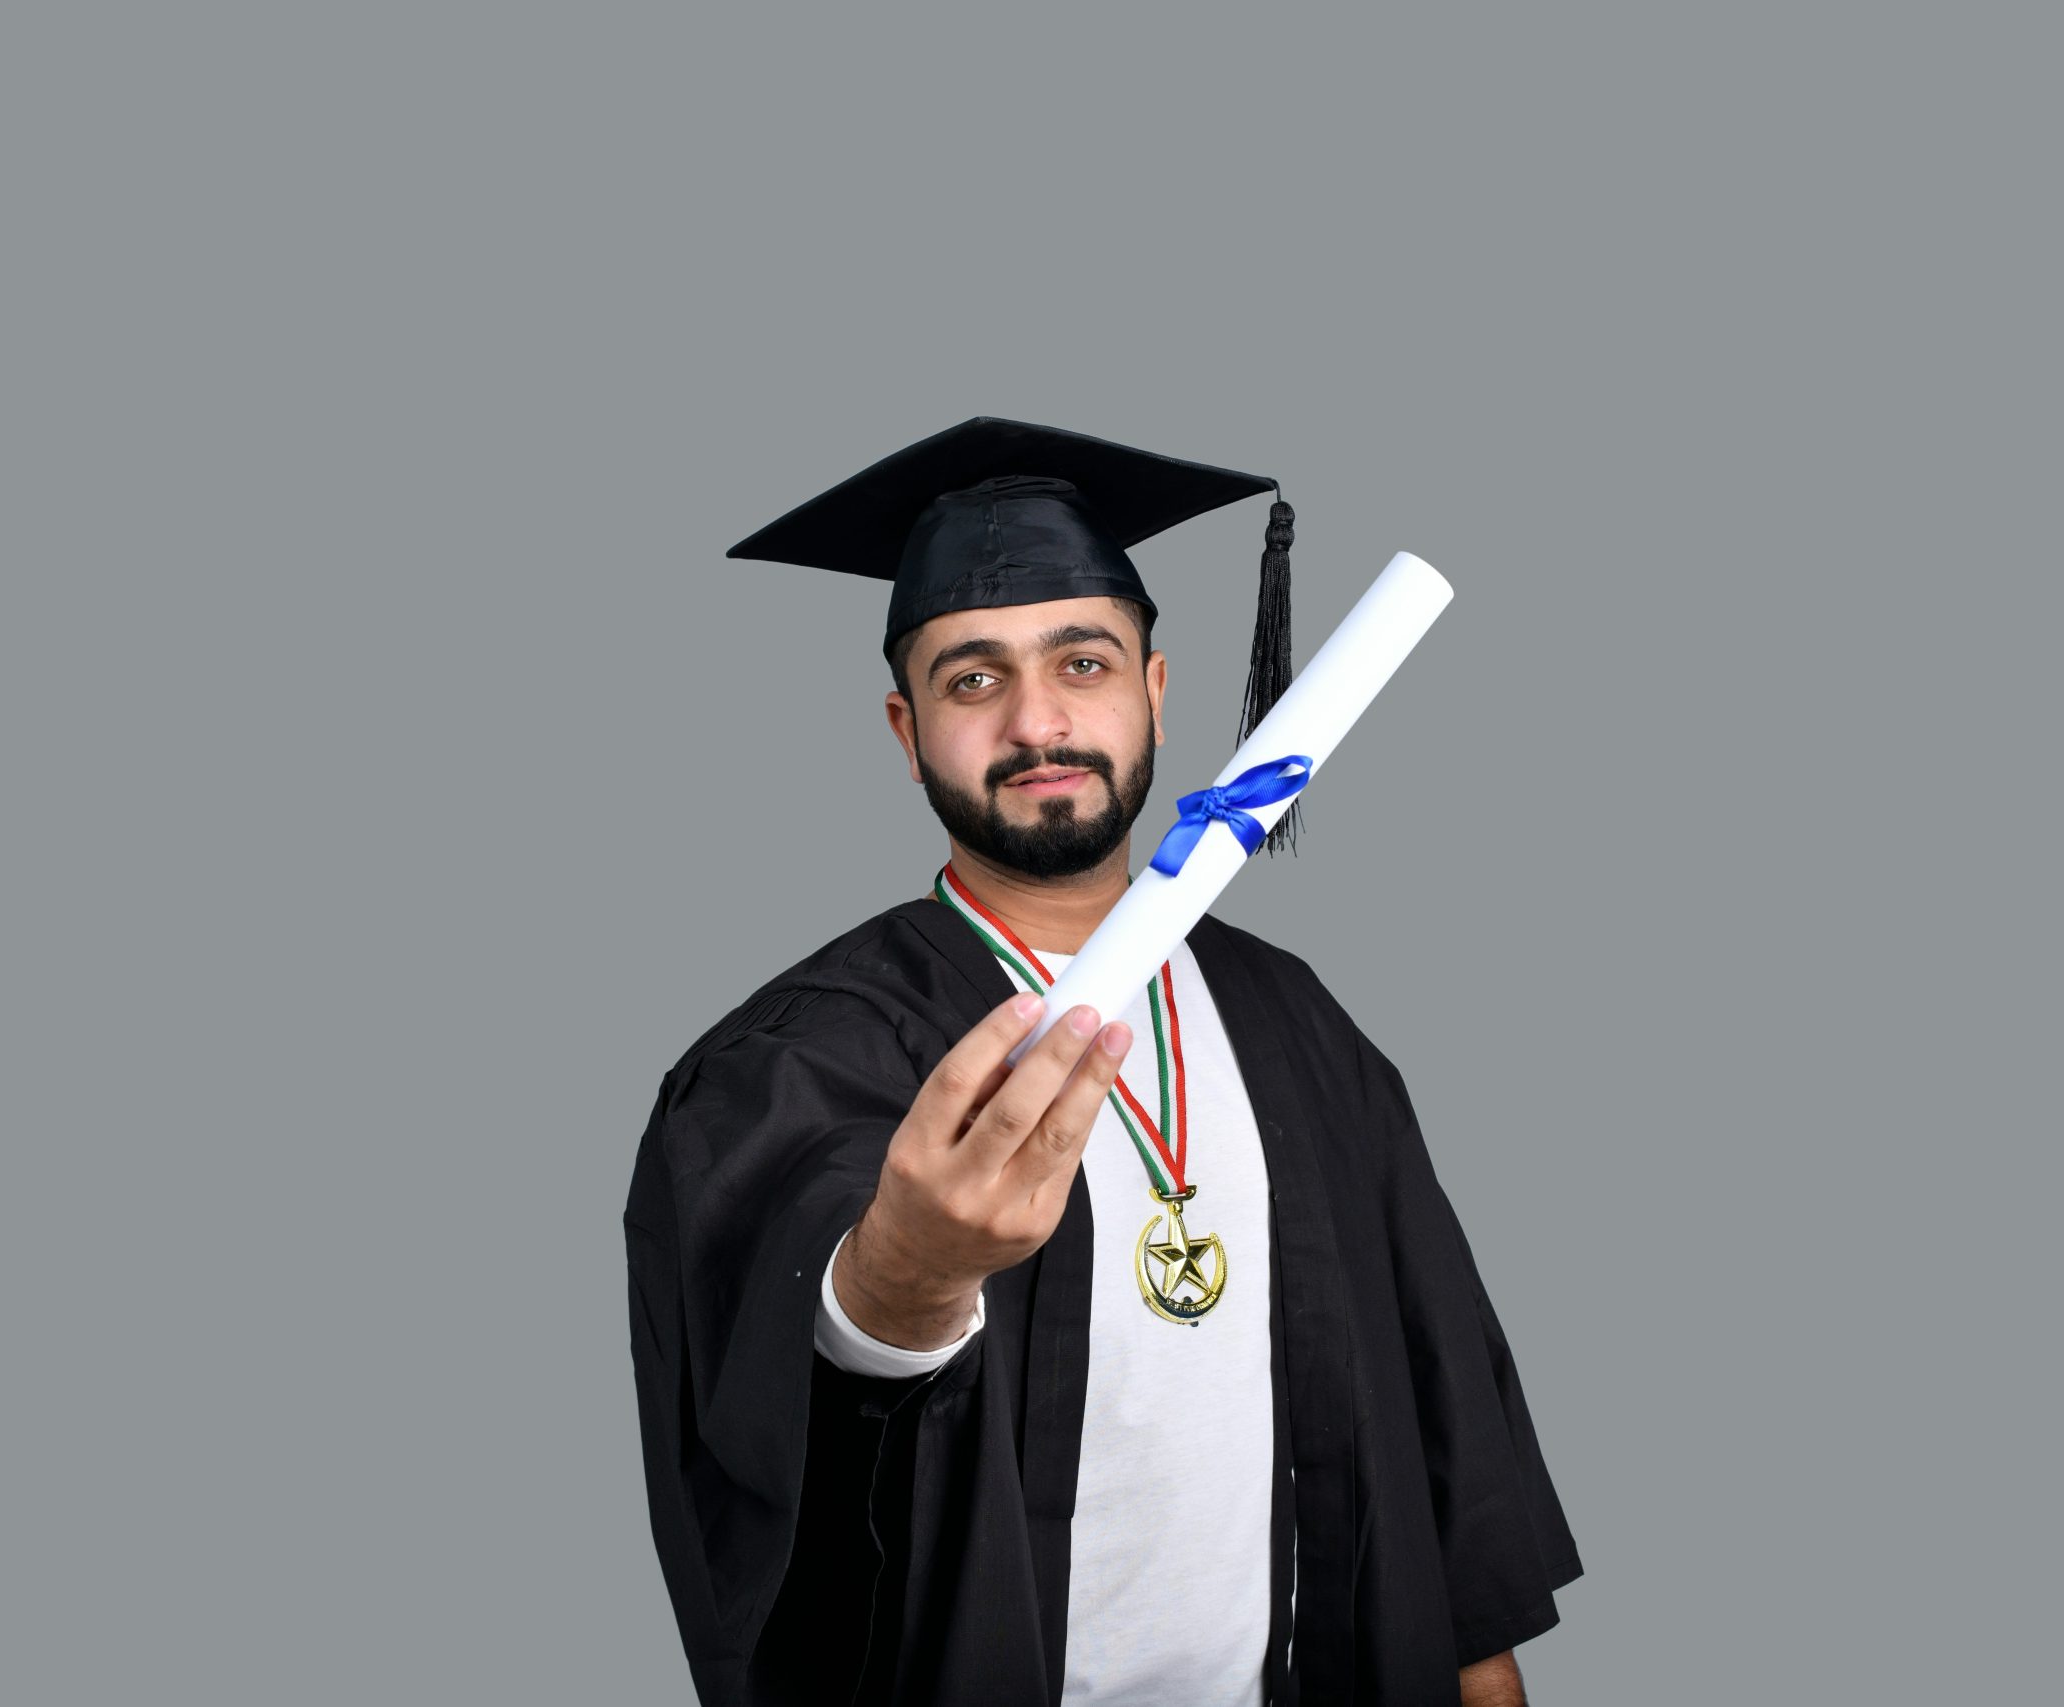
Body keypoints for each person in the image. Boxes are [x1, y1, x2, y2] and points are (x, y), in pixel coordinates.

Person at [622, 418, 1582, 1706]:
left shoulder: (1299, 1023)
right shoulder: (792, 1061)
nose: (1039, 720)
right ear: (905, 729)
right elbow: (763, 1458)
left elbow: (1442, 1419)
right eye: (973, 679)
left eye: (1084, 660)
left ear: (1159, 694)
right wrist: (893, 1296)